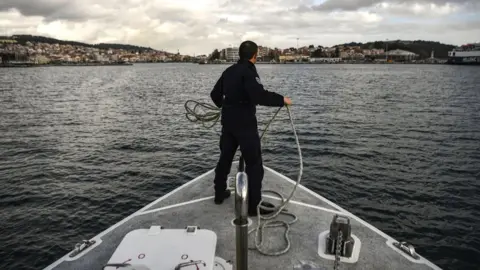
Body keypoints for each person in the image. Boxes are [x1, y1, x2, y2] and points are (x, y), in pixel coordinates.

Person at [210, 40, 292, 216]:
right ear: (255, 55)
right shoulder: (248, 71)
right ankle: (254, 206)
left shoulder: (228, 71)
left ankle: (219, 194)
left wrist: (225, 105)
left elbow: (214, 95)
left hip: (228, 122)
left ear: (240, 54)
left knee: (225, 158)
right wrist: (281, 100)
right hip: (245, 124)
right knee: (254, 164)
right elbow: (258, 95)